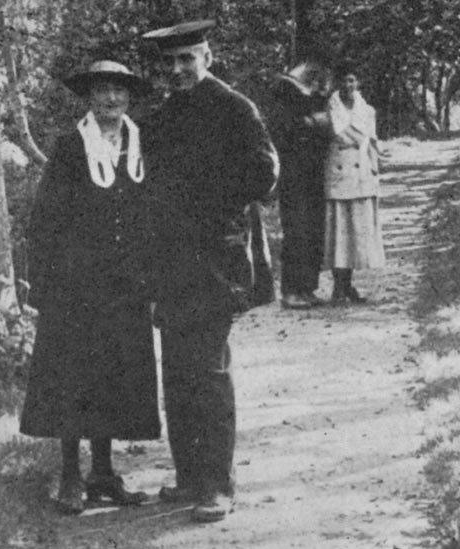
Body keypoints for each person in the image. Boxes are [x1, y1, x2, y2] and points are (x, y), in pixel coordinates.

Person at [140, 20, 279, 522]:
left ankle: (218, 485)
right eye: (169, 63)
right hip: (170, 262)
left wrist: (209, 199)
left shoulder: (236, 108)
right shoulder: (160, 118)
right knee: (176, 372)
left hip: (217, 261)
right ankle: (188, 477)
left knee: (208, 371)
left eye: (186, 59)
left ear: (207, 57)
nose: (177, 70)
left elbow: (265, 175)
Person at [19, 60, 159, 515]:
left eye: (118, 91)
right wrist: (45, 281)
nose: (110, 100)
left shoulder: (140, 144)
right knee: (73, 377)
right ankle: (71, 476)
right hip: (75, 287)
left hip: (124, 286)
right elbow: (45, 220)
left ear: (129, 97)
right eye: (101, 92)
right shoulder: (69, 146)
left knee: (112, 377)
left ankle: (103, 474)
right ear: (89, 98)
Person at [266, 61, 334, 309]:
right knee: (297, 232)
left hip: (313, 175)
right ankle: (291, 290)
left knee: (314, 231)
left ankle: (307, 287)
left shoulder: (314, 110)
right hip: (293, 177)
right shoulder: (284, 115)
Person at [322, 60, 385, 303]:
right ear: (337, 84)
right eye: (343, 80)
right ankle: (339, 286)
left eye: (352, 80)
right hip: (338, 176)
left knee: (356, 234)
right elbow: (331, 137)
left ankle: (348, 286)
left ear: (357, 82)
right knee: (339, 233)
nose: (348, 85)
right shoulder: (328, 109)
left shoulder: (367, 111)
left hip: (360, 178)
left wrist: (375, 171)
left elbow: (372, 142)